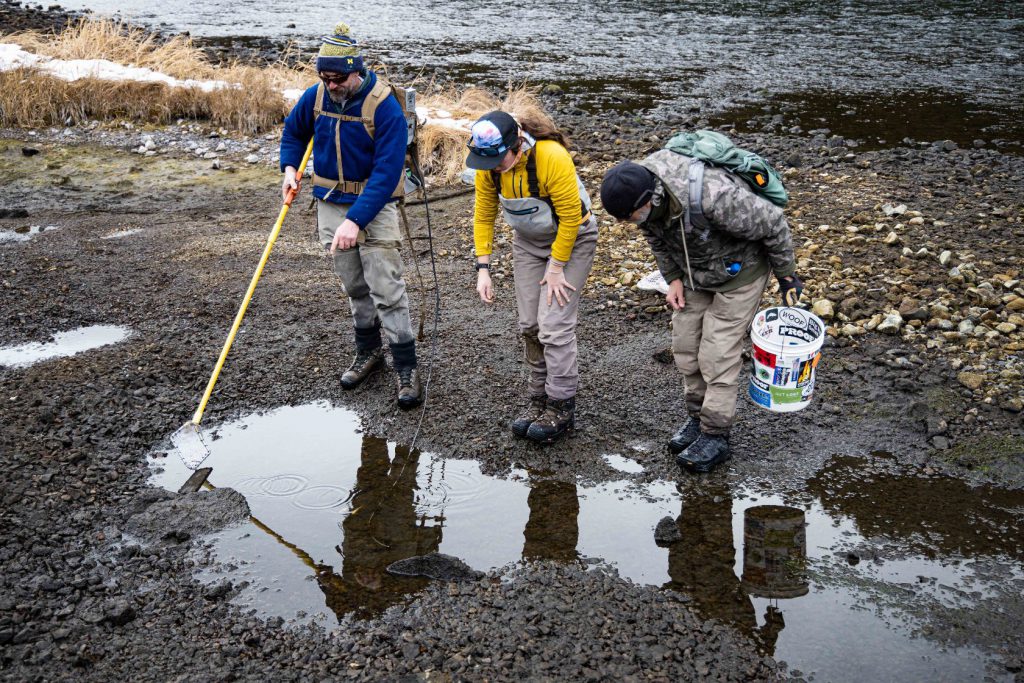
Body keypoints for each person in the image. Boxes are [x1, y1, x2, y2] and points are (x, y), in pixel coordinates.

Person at [599, 149, 801, 472]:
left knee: (718, 350)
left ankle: (715, 434)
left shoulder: (711, 195)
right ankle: (697, 417)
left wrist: (787, 277)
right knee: (687, 343)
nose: (628, 224)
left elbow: (773, 223)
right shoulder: (642, 200)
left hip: (741, 272)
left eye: (629, 217)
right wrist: (673, 278)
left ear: (648, 198)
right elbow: (656, 237)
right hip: (694, 271)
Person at [279, 22, 421, 408]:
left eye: (338, 77)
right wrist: (290, 168)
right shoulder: (316, 97)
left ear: (356, 70)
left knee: (386, 288)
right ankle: (369, 352)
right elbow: (293, 134)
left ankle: (406, 367)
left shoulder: (385, 107)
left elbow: (387, 173)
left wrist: (355, 219)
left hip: (374, 208)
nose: (332, 85)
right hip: (329, 202)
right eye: (324, 78)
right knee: (353, 284)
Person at [467, 110, 597, 444]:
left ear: (518, 145)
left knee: (554, 325)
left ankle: (560, 404)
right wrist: (484, 268)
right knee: (530, 325)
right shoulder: (489, 167)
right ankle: (537, 397)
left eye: (498, 159)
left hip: (573, 238)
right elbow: (484, 213)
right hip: (528, 242)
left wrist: (556, 268)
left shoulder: (551, 157)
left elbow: (571, 218)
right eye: (487, 161)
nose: (492, 167)